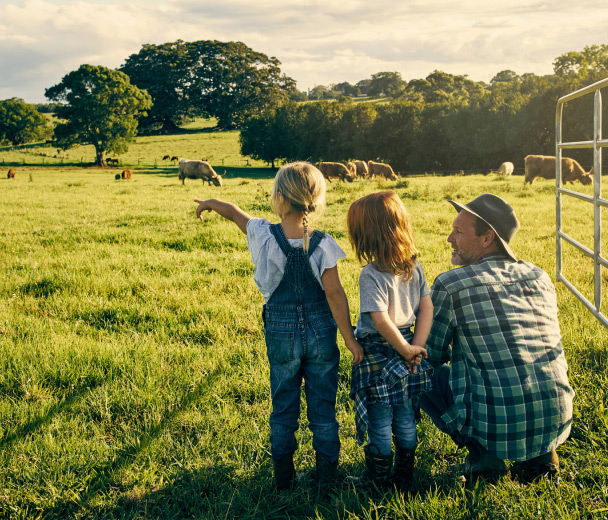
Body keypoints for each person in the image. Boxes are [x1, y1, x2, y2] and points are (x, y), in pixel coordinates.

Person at [194, 162, 363, 493]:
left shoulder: (261, 234)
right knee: (323, 408)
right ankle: (327, 479)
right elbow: (334, 294)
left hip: (281, 333)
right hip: (321, 333)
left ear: (280, 198)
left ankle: (283, 480)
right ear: (315, 199)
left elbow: (234, 213)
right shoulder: (324, 243)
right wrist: (351, 341)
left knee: (283, 405)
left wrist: (210, 204)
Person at [420, 193, 574, 482]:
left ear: (487, 237)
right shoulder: (539, 276)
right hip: (556, 419)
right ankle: (541, 457)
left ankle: (484, 457)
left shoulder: (451, 284)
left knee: (416, 369)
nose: (449, 238)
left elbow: (431, 353)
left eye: (459, 231)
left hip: (498, 426)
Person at [345, 191, 434, 492]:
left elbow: (381, 321)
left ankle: (378, 480)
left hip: (379, 352)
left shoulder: (370, 274)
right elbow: (427, 308)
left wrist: (407, 349)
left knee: (380, 418)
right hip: (409, 347)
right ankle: (405, 476)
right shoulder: (415, 266)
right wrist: (414, 348)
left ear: (366, 235)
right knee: (406, 414)